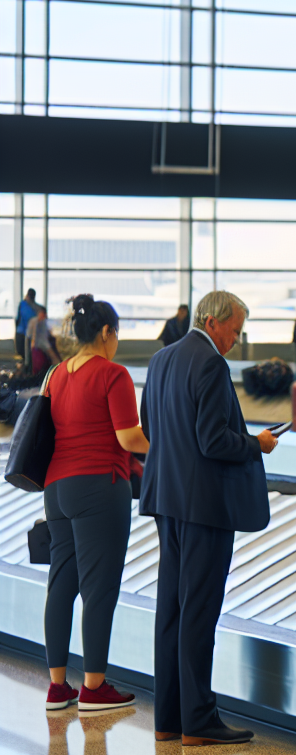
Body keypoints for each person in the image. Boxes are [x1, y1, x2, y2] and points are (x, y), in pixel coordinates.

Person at [140, 290, 277, 746]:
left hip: (166, 499)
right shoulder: (211, 364)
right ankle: (199, 720)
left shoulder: (161, 360)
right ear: (214, 321)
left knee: (172, 610)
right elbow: (214, 440)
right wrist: (255, 444)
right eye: (236, 330)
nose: (237, 340)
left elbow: (151, 428)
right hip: (205, 507)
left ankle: (167, 718)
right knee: (199, 610)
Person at [40, 295, 147, 713]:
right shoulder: (113, 374)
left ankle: (57, 688)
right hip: (100, 486)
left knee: (61, 584)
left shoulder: (55, 374)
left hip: (56, 489)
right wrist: (166, 449)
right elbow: (129, 439)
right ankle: (94, 687)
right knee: (99, 588)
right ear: (106, 333)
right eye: (116, 334)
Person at [27, 304, 62, 377]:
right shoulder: (35, 322)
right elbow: (30, 336)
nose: (45, 316)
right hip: (38, 346)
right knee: (51, 358)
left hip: (41, 345)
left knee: (51, 358)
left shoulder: (42, 322)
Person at [16, 287, 41, 359]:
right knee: (26, 354)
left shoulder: (23, 304)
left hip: (23, 333)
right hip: (26, 333)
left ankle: (25, 366)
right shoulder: (33, 307)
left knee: (24, 354)